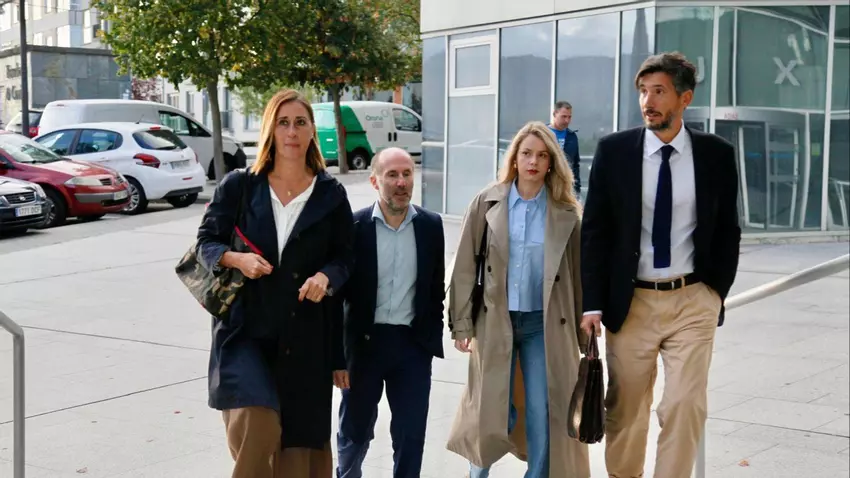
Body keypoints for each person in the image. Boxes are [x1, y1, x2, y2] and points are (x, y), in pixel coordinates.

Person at [580, 52, 741, 478]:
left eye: (659, 92)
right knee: (626, 411)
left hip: (692, 299)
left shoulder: (716, 154)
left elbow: (728, 229)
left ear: (685, 98)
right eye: (643, 92)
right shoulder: (614, 152)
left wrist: (715, 292)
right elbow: (595, 232)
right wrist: (592, 303)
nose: (647, 102)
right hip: (631, 302)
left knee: (686, 405)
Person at [196, 88, 355, 478]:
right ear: (270, 128)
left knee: (297, 446)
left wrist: (326, 277)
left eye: (300, 122)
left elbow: (346, 258)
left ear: (312, 130)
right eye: (283, 123)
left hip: (305, 334)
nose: (292, 132)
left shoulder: (330, 194)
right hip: (245, 330)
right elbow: (206, 243)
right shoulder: (240, 185)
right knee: (261, 421)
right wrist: (238, 259)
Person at [446, 121, 591, 478]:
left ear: (552, 162)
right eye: (526, 153)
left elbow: (578, 277)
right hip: (496, 321)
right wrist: (461, 324)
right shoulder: (487, 202)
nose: (533, 162)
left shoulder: (566, 212)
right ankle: (477, 475)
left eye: (542, 155)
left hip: (544, 324)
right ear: (514, 158)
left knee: (544, 409)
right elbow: (464, 267)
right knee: (492, 410)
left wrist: (583, 333)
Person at [335, 147, 446, 478]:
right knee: (354, 432)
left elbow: (435, 290)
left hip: (412, 347)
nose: (401, 182)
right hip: (363, 347)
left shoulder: (430, 225)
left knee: (411, 436)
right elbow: (337, 297)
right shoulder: (353, 227)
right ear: (374, 181)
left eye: (407, 174)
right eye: (392, 175)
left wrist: (430, 338)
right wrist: (337, 358)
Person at [548, 101, 581, 196]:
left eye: (569, 117)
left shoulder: (572, 136)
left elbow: (575, 164)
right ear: (555, 114)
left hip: (566, 186)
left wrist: (576, 189)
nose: (567, 120)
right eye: (564, 116)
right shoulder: (543, 133)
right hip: (547, 184)